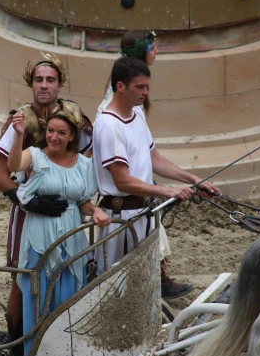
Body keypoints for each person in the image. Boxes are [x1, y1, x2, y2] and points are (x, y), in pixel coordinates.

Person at [91, 58, 220, 298]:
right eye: (140, 87)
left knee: (146, 286)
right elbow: (123, 181)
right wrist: (167, 191)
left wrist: (193, 179)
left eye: (147, 86)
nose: (146, 92)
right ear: (120, 86)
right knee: (117, 291)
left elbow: (154, 158)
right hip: (121, 219)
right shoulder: (108, 125)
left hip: (144, 213)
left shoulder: (137, 114)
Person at [0, 52, 93, 355]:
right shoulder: (19, 120)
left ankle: (61, 349)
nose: (44, 86)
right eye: (39, 80)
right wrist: (28, 202)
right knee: (22, 281)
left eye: (50, 80)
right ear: (30, 84)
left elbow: (84, 161)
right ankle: (16, 355)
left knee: (67, 275)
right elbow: (1, 176)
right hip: (29, 215)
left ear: (60, 85)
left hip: (66, 215)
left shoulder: (75, 118)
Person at [8, 109, 110, 356]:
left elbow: (81, 201)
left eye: (61, 133)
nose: (54, 137)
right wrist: (18, 135)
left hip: (71, 238)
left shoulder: (84, 165)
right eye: (51, 131)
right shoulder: (34, 156)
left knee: (67, 298)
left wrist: (95, 210)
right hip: (39, 236)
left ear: (72, 136)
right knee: (39, 296)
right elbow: (12, 165)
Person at [96, 30, 157, 115]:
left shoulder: (135, 77)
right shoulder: (125, 84)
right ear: (141, 52)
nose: (156, 51)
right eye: (152, 48)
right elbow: (107, 113)